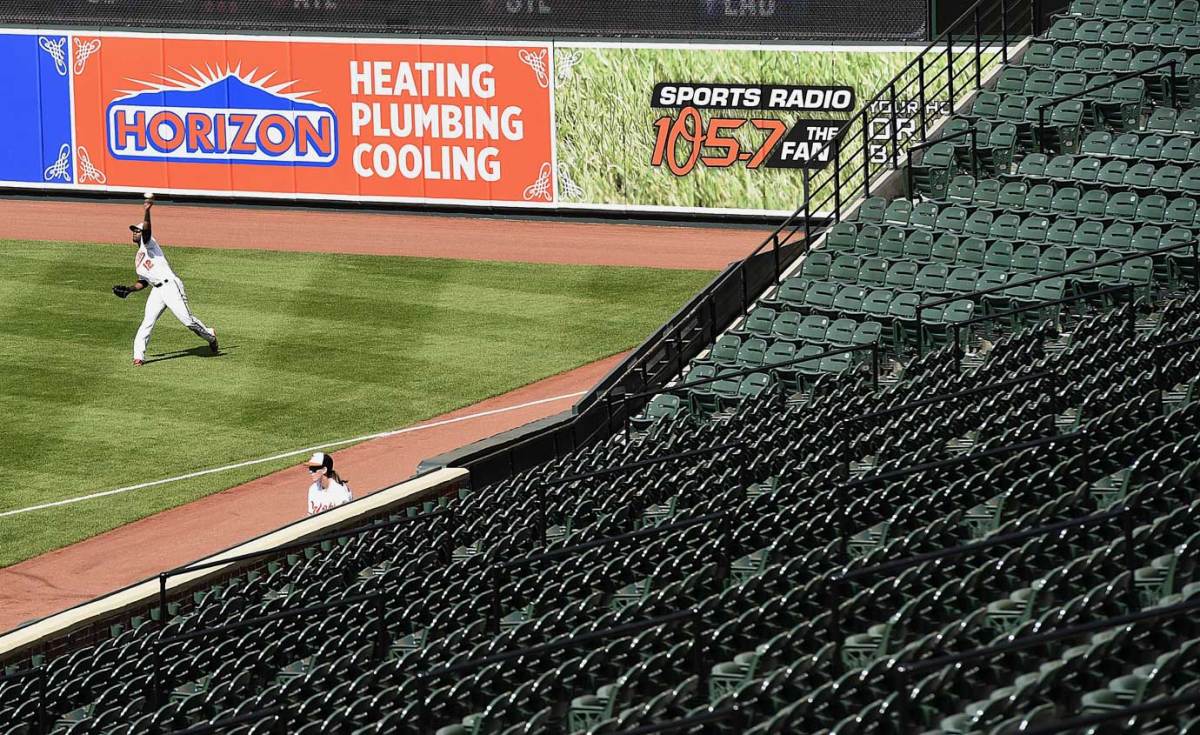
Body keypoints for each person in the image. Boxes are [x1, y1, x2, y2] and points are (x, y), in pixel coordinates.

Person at [111, 196, 219, 366]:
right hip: (157, 290)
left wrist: (147, 211)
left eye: (137, 231)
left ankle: (210, 335)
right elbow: (144, 281)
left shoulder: (149, 244)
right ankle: (138, 356)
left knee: (187, 321)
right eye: (133, 230)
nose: (135, 232)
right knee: (147, 322)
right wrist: (130, 289)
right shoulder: (138, 258)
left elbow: (147, 230)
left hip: (170, 285)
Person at [305, 452, 353, 516]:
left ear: (324, 470)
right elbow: (310, 516)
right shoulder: (313, 489)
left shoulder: (340, 491)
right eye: (310, 469)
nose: (310, 472)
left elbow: (346, 517)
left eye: (314, 469)